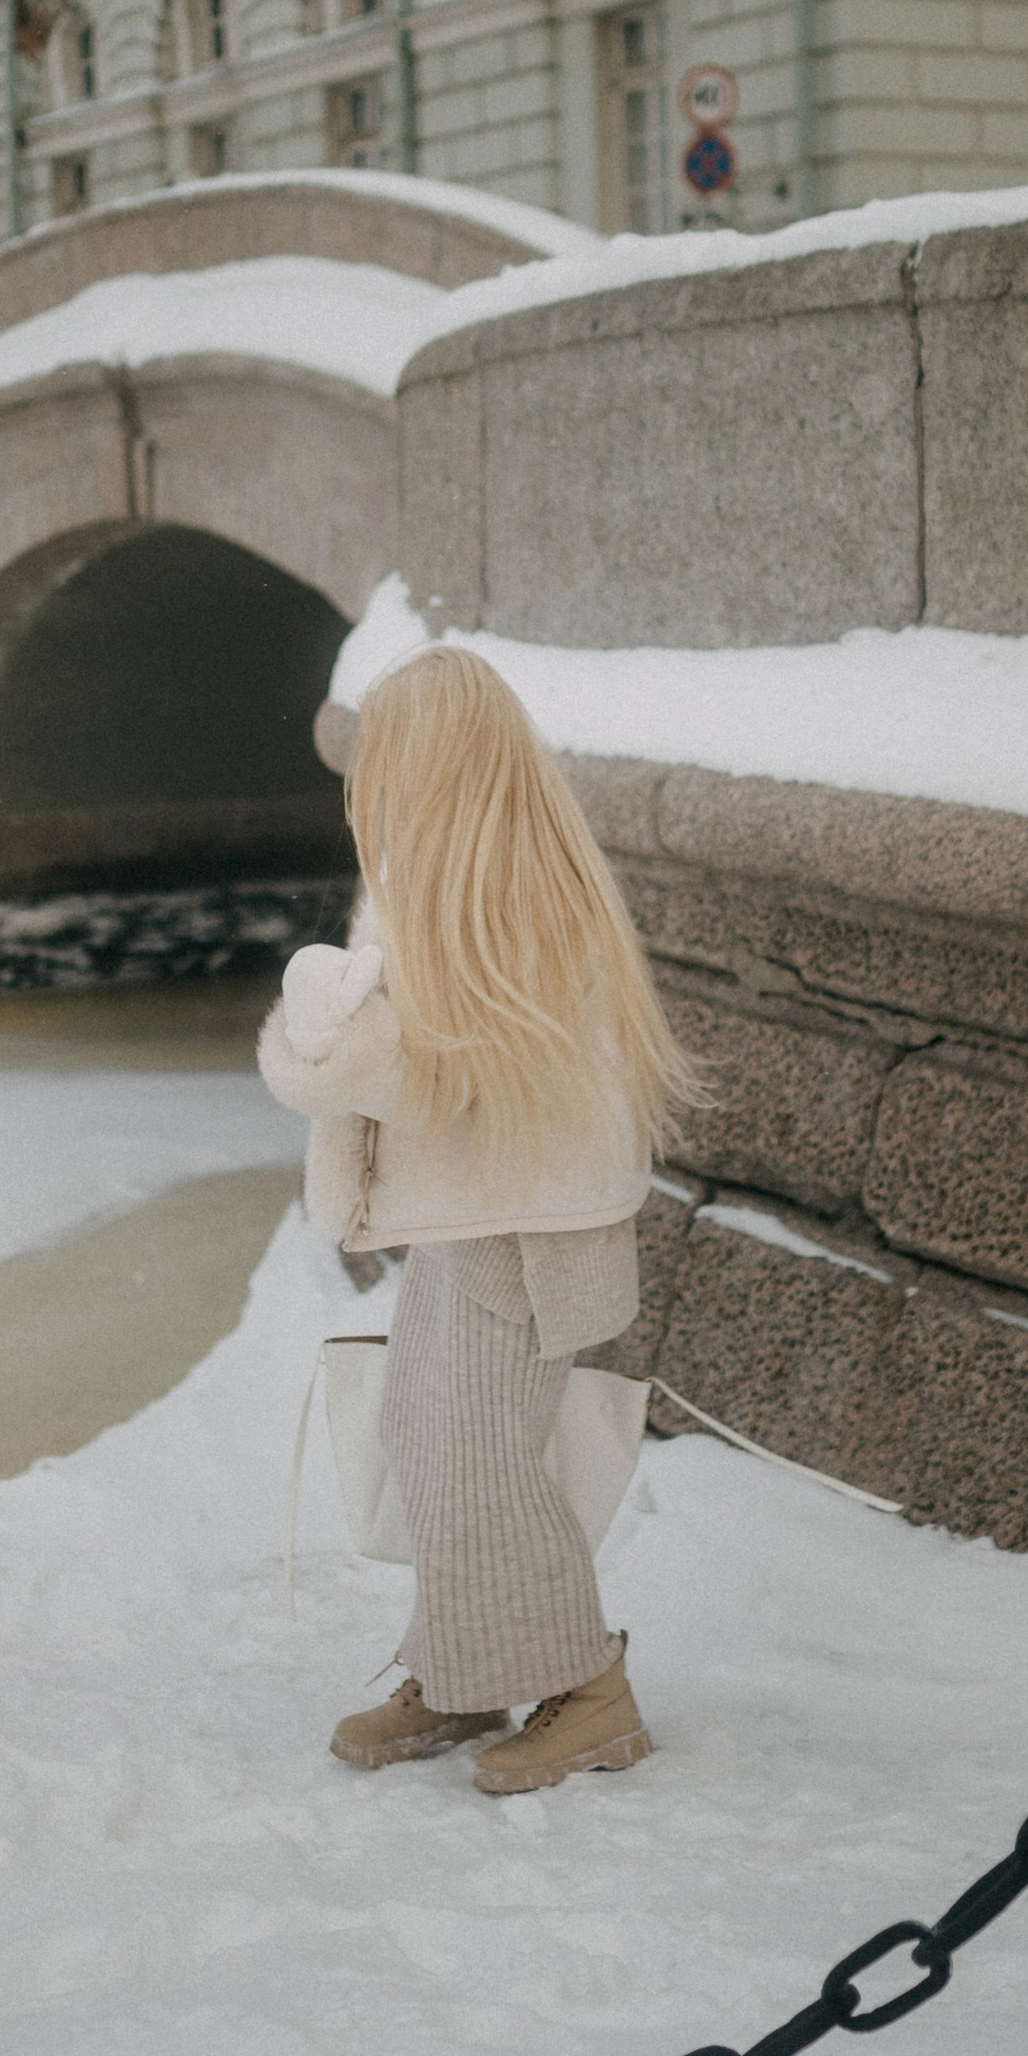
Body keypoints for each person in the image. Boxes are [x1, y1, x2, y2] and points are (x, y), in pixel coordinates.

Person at [258, 645, 697, 1793]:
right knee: (428, 1436)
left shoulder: (507, 887)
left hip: (530, 1229)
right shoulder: (450, 870)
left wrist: (345, 1050)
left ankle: (587, 1690)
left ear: (436, 759)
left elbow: (473, 1085)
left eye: (389, 755)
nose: (371, 780)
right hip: (485, 1219)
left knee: (481, 1461)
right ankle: (464, 1668)